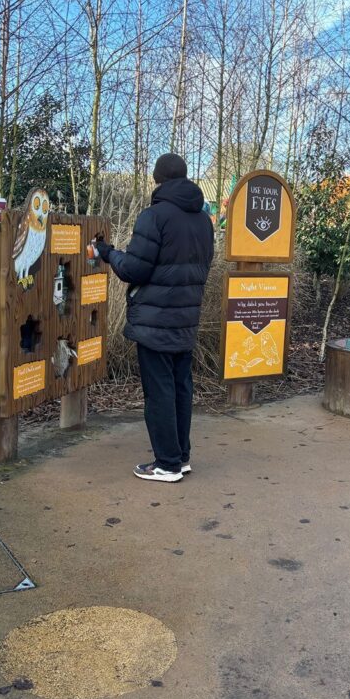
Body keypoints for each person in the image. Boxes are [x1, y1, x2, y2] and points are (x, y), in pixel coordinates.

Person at [95, 154, 215, 482]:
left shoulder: (155, 216)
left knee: (160, 391)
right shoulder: (204, 220)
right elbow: (204, 266)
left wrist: (108, 253)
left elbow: (135, 268)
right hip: (186, 319)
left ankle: (166, 464)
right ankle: (181, 456)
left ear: (157, 179)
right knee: (180, 388)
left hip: (155, 321)